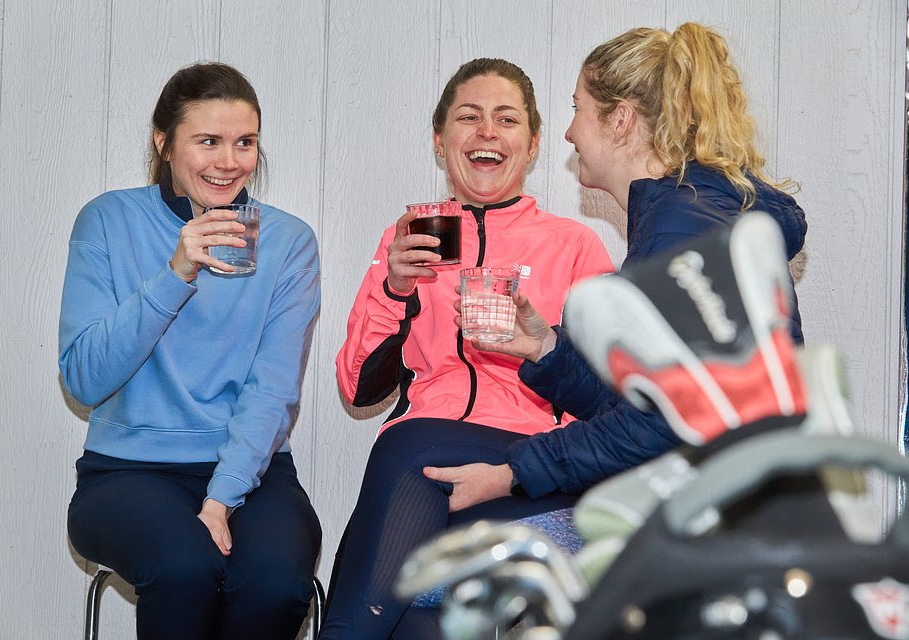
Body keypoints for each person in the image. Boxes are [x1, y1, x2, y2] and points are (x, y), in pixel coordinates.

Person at [435, 23, 808, 508]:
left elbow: (664, 423)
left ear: (620, 121)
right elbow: (646, 403)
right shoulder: (683, 215)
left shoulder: (680, 228)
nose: (568, 133)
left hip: (727, 528)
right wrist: (546, 349)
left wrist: (514, 473)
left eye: (578, 109)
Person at [322, 58, 614, 639]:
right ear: (440, 140)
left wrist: (539, 345)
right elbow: (359, 388)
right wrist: (393, 286)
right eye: (469, 118)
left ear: (531, 145)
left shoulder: (574, 245)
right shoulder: (408, 238)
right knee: (418, 622)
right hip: (423, 471)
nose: (486, 132)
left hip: (529, 466)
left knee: (409, 446)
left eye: (506, 120)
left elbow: (609, 397)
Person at [59, 62, 321, 640]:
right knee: (184, 568)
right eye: (208, 141)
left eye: (244, 143)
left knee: (276, 582)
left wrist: (222, 498)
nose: (229, 162)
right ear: (164, 142)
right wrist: (175, 273)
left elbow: (273, 389)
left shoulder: (288, 241)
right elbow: (83, 378)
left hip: (251, 468)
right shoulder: (108, 221)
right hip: (127, 470)